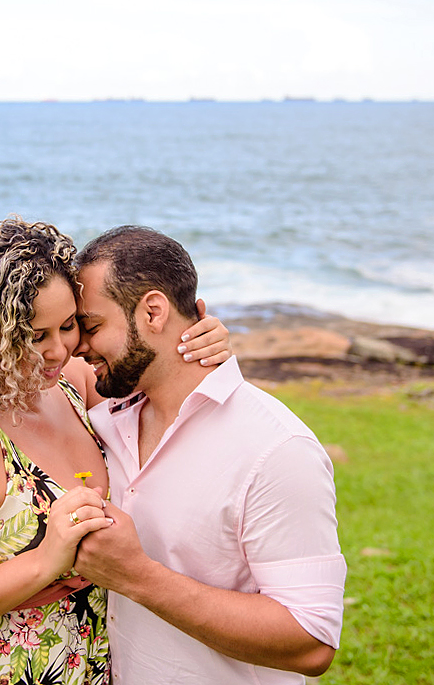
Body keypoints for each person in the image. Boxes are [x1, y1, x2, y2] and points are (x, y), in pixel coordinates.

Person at [0, 218, 232, 685]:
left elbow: (166, 400)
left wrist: (200, 342)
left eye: (68, 326)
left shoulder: (75, 386)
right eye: (34, 336)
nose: (59, 350)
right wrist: (44, 561)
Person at [71, 225, 346, 685]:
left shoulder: (276, 450)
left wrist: (138, 576)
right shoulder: (105, 420)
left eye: (92, 327)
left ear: (153, 312)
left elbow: (311, 640)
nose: (79, 346)